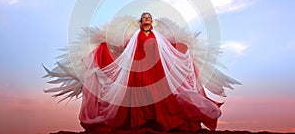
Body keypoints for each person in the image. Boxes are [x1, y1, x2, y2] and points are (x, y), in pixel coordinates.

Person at [44, 12, 240, 132]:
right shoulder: (135, 36)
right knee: (138, 97)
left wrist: (183, 48)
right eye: (144, 18)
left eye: (149, 18)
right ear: (140, 22)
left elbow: (170, 49)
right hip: (137, 71)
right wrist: (104, 48)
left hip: (157, 72)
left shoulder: (158, 37)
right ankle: (140, 122)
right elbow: (124, 50)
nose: (146, 20)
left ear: (152, 22)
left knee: (160, 98)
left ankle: (161, 121)